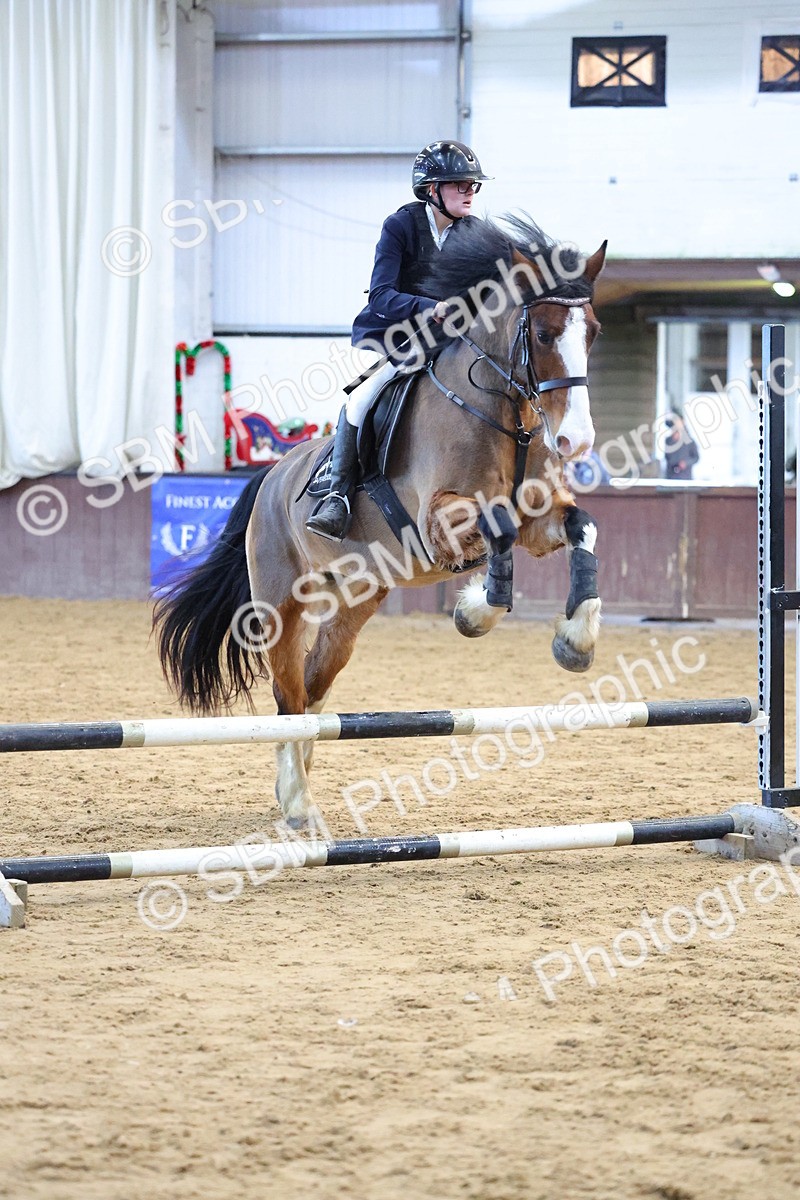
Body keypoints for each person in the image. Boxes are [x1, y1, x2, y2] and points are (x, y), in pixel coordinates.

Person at [306, 139, 491, 541]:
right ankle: (337, 494)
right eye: (459, 184)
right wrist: (430, 307)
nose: (469, 192)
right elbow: (381, 295)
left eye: (473, 185)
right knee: (362, 397)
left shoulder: (476, 233)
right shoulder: (401, 226)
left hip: (453, 343)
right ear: (432, 190)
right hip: (402, 336)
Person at [663, 412, 700, 481]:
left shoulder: (690, 441)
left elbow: (696, 458)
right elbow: (667, 457)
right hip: (671, 477)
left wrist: (685, 463)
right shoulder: (668, 440)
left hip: (685, 477)